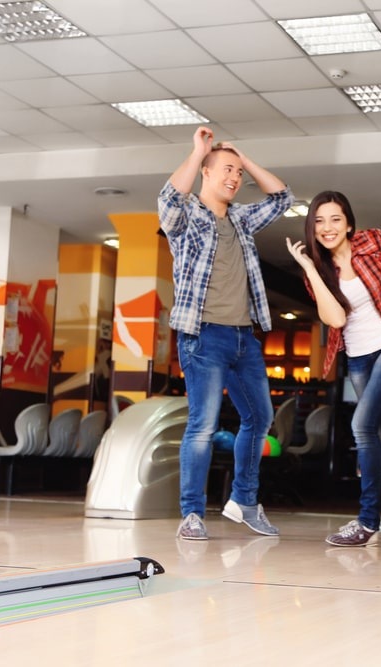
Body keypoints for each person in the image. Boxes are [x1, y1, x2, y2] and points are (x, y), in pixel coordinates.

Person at [159, 126, 294, 541]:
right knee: (203, 424)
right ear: (205, 172)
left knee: (260, 417)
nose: (235, 178)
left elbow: (282, 199)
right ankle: (192, 514)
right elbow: (167, 200)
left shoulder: (240, 218)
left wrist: (244, 158)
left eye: (239, 173)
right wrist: (199, 151)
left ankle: (243, 501)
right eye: (227, 170)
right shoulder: (186, 219)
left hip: (243, 337)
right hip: (203, 336)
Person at [285, 190, 381, 547]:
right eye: (319, 221)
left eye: (335, 219)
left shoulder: (374, 242)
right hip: (358, 356)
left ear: (349, 223)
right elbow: (335, 318)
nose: (327, 227)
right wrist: (309, 267)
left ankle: (368, 521)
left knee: (362, 424)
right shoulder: (317, 273)